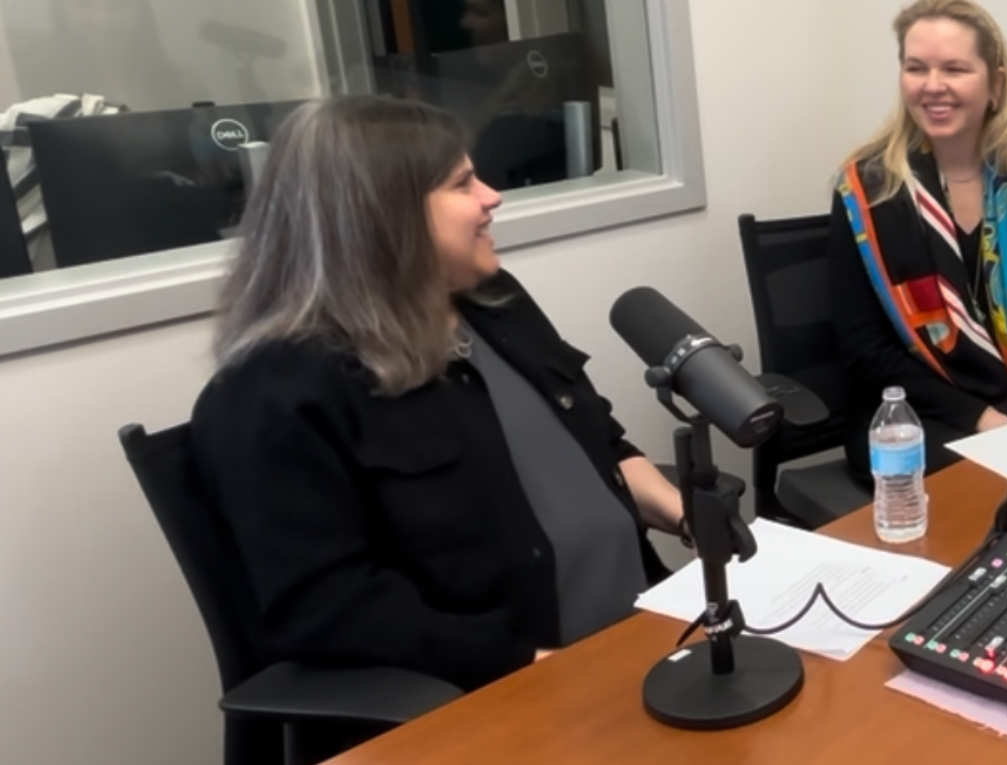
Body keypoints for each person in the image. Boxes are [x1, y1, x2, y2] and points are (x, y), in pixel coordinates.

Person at [190, 96, 686, 696]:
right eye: (462, 183)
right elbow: (329, 610)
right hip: (518, 690)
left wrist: (686, 514)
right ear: (383, 217)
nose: (492, 196)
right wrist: (527, 664)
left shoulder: (496, 302)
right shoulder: (272, 393)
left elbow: (599, 446)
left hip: (647, 632)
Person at [826, 0, 1007, 485]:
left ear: (995, 83)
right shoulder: (868, 191)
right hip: (908, 416)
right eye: (916, 68)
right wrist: (986, 421)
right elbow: (865, 351)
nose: (933, 86)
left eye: (954, 68)